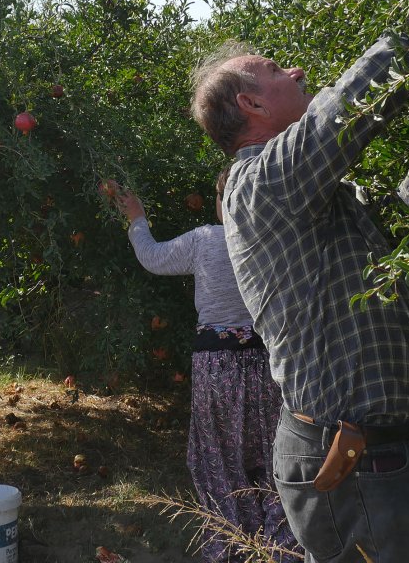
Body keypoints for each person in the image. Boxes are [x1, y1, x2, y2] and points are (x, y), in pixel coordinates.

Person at [188, 9, 409, 563]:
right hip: (353, 460)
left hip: (380, 456)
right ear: (251, 104)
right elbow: (341, 114)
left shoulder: (327, 202)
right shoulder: (257, 185)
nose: (296, 71)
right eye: (275, 70)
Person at [113, 173, 302, 562]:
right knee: (275, 458)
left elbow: (152, 257)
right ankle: (282, 551)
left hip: (216, 367)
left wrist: (137, 217)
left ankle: (230, 549)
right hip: (270, 363)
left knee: (219, 460)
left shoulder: (205, 240)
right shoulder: (278, 239)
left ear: (221, 202)